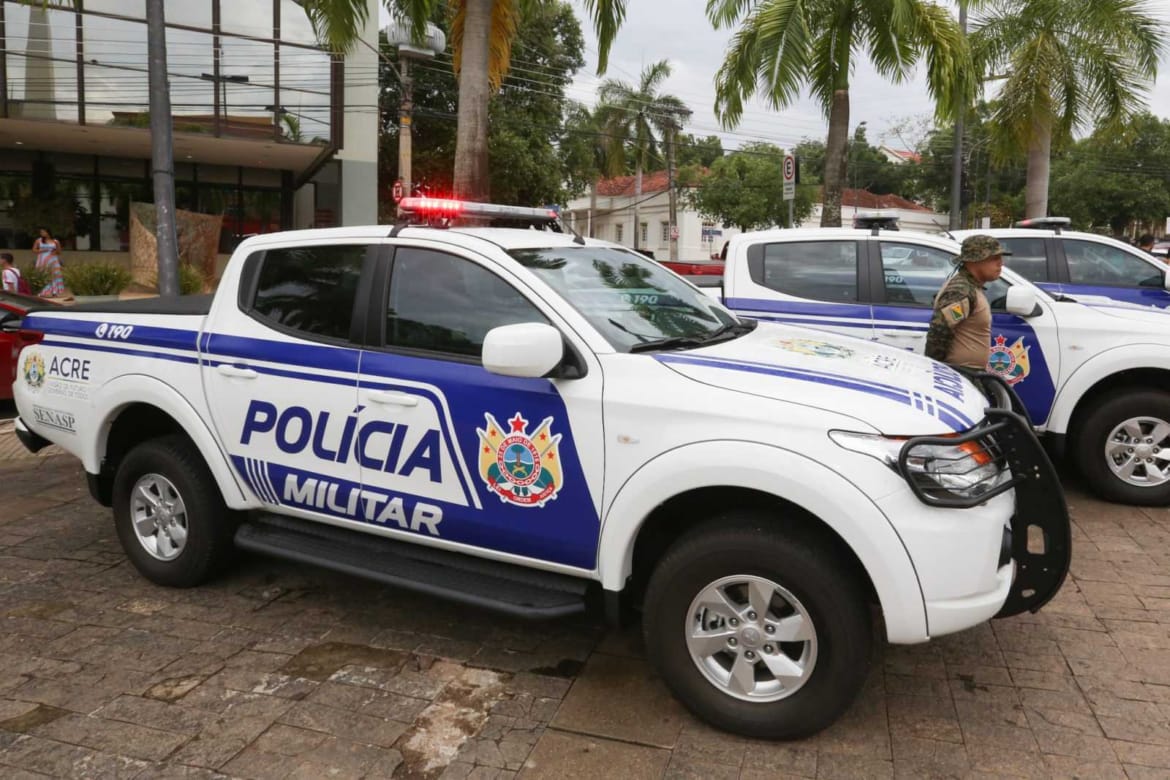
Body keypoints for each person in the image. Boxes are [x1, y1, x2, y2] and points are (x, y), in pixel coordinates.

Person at [924, 235, 1012, 371]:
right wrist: (937, 369)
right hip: (960, 373)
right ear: (975, 260)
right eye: (994, 258)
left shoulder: (970, 287)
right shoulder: (962, 291)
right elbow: (940, 331)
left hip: (966, 373)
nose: (1000, 263)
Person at [33, 226, 65, 297]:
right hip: (42, 259)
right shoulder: (39, 240)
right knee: (43, 275)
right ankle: (43, 292)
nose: (42, 233)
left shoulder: (55, 241)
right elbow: (34, 250)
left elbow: (59, 252)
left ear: (48, 232)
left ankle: (54, 291)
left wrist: (55, 251)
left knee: (54, 275)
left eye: (43, 232)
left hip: (52, 259)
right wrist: (42, 250)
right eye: (41, 232)